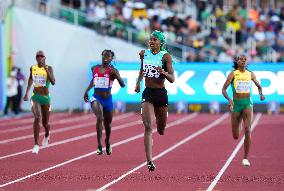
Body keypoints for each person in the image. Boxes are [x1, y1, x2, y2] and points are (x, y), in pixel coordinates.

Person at [135, 30, 175, 172]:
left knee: (161, 129)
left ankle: (161, 127)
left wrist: (163, 72)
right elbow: (142, 69)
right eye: (150, 39)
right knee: (147, 126)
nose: (151, 41)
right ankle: (149, 161)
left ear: (161, 42)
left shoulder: (165, 56)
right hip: (148, 93)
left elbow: (172, 78)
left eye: (154, 40)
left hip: (161, 94)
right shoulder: (143, 54)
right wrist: (138, 82)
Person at [222, 54, 265, 166]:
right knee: (236, 136)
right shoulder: (233, 74)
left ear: (246, 62)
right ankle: (239, 122)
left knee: (248, 130)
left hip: (247, 103)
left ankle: (245, 158)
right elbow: (223, 90)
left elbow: (259, 86)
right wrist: (230, 100)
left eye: (245, 59)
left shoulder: (250, 74)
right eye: (241, 59)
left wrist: (261, 94)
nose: (243, 61)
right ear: (237, 61)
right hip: (236, 104)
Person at [84, 50, 125, 155]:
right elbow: (93, 81)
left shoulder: (113, 71)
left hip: (108, 100)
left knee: (108, 124)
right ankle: (99, 145)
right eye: (104, 55)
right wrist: (86, 91)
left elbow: (122, 85)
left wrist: (117, 76)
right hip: (96, 97)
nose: (106, 57)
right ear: (101, 56)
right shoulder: (95, 68)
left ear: (112, 58)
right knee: (100, 117)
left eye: (109, 56)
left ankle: (107, 141)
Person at [23, 51, 55, 154]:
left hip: (45, 98)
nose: (40, 57)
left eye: (41, 56)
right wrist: (27, 93)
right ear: (36, 58)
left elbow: (53, 82)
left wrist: (47, 71)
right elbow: (30, 79)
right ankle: (36, 144)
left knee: (45, 123)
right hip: (35, 96)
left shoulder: (49, 68)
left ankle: (47, 134)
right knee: (37, 117)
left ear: (45, 58)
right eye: (38, 56)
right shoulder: (33, 68)